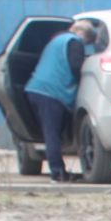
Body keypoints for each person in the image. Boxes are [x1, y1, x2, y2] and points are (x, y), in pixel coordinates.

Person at [23, 20, 95, 184]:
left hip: (35, 89)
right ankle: (58, 174)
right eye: (89, 42)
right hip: (51, 93)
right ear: (86, 35)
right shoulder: (74, 42)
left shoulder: (56, 41)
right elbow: (76, 67)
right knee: (52, 134)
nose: (87, 45)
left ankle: (58, 170)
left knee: (51, 133)